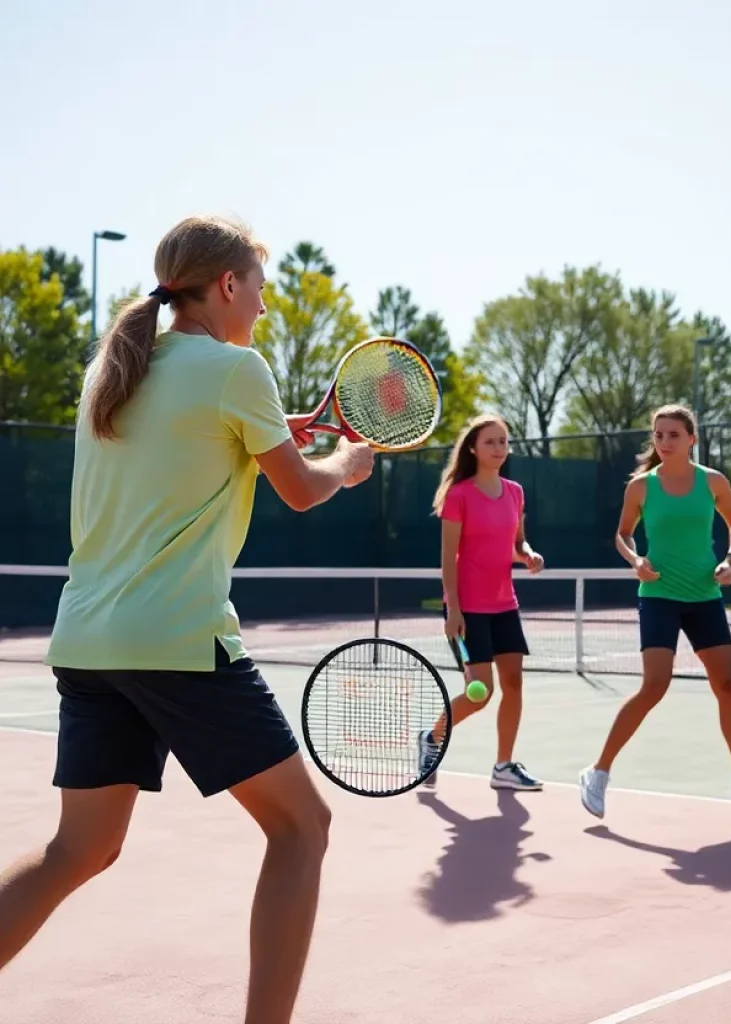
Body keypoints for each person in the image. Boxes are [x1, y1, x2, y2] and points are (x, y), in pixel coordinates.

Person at [0, 215, 375, 1024]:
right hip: (175, 638)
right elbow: (303, 490)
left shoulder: (116, 369)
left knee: (80, 849)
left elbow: (200, 444)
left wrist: (281, 433)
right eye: (263, 291)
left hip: (87, 641)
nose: (267, 309)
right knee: (302, 828)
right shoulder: (237, 369)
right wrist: (345, 463)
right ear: (229, 287)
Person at [578, 404, 731, 819]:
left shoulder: (712, 481)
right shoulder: (640, 487)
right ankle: (597, 772)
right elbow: (622, 534)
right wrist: (636, 561)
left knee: (726, 686)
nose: (665, 441)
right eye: (659, 435)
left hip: (705, 595)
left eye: (674, 434)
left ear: (692, 438)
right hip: (658, 596)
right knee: (654, 685)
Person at [418, 414, 545, 792]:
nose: (499, 448)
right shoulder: (459, 496)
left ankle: (504, 766)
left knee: (515, 684)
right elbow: (448, 556)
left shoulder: (515, 492)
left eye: (503, 441)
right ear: (473, 448)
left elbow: (517, 542)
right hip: (469, 607)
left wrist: (528, 554)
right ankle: (431, 737)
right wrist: (453, 609)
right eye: (490, 441)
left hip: (505, 604)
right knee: (481, 694)